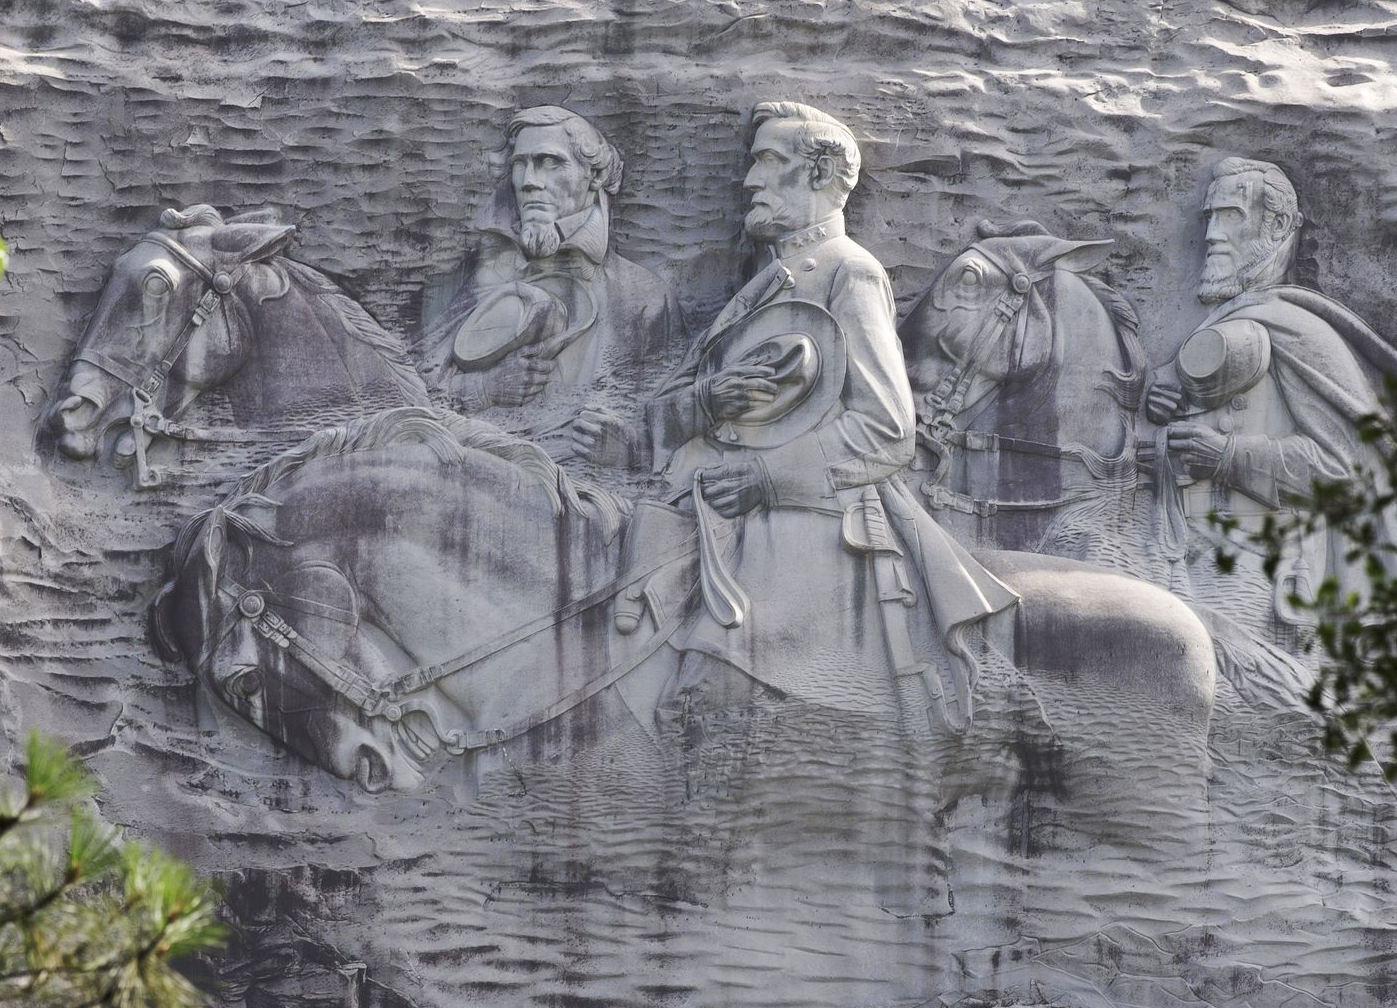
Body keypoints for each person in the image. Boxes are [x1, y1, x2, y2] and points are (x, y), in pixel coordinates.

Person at [640, 101, 1017, 731]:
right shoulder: (764, 284)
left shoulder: (851, 272)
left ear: (821, 175)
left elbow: (887, 429)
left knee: (704, 698)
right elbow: (670, 409)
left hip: (807, 515)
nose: (749, 181)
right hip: (708, 502)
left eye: (768, 161)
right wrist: (707, 402)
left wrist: (768, 479)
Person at [1143, 157, 1397, 643]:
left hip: (1260, 575)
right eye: (1210, 217)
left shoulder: (1301, 332)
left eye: (1230, 215)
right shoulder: (1218, 329)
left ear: (1276, 226)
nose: (1212, 235)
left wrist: (1228, 456)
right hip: (1179, 558)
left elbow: (1344, 471)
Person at [420, 106, 679, 465]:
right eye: (520, 164)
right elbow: (414, 389)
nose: (529, 181)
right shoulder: (478, 279)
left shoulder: (644, 298)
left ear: (595, 175)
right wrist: (485, 388)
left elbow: (679, 426)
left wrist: (632, 451)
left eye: (549, 162)